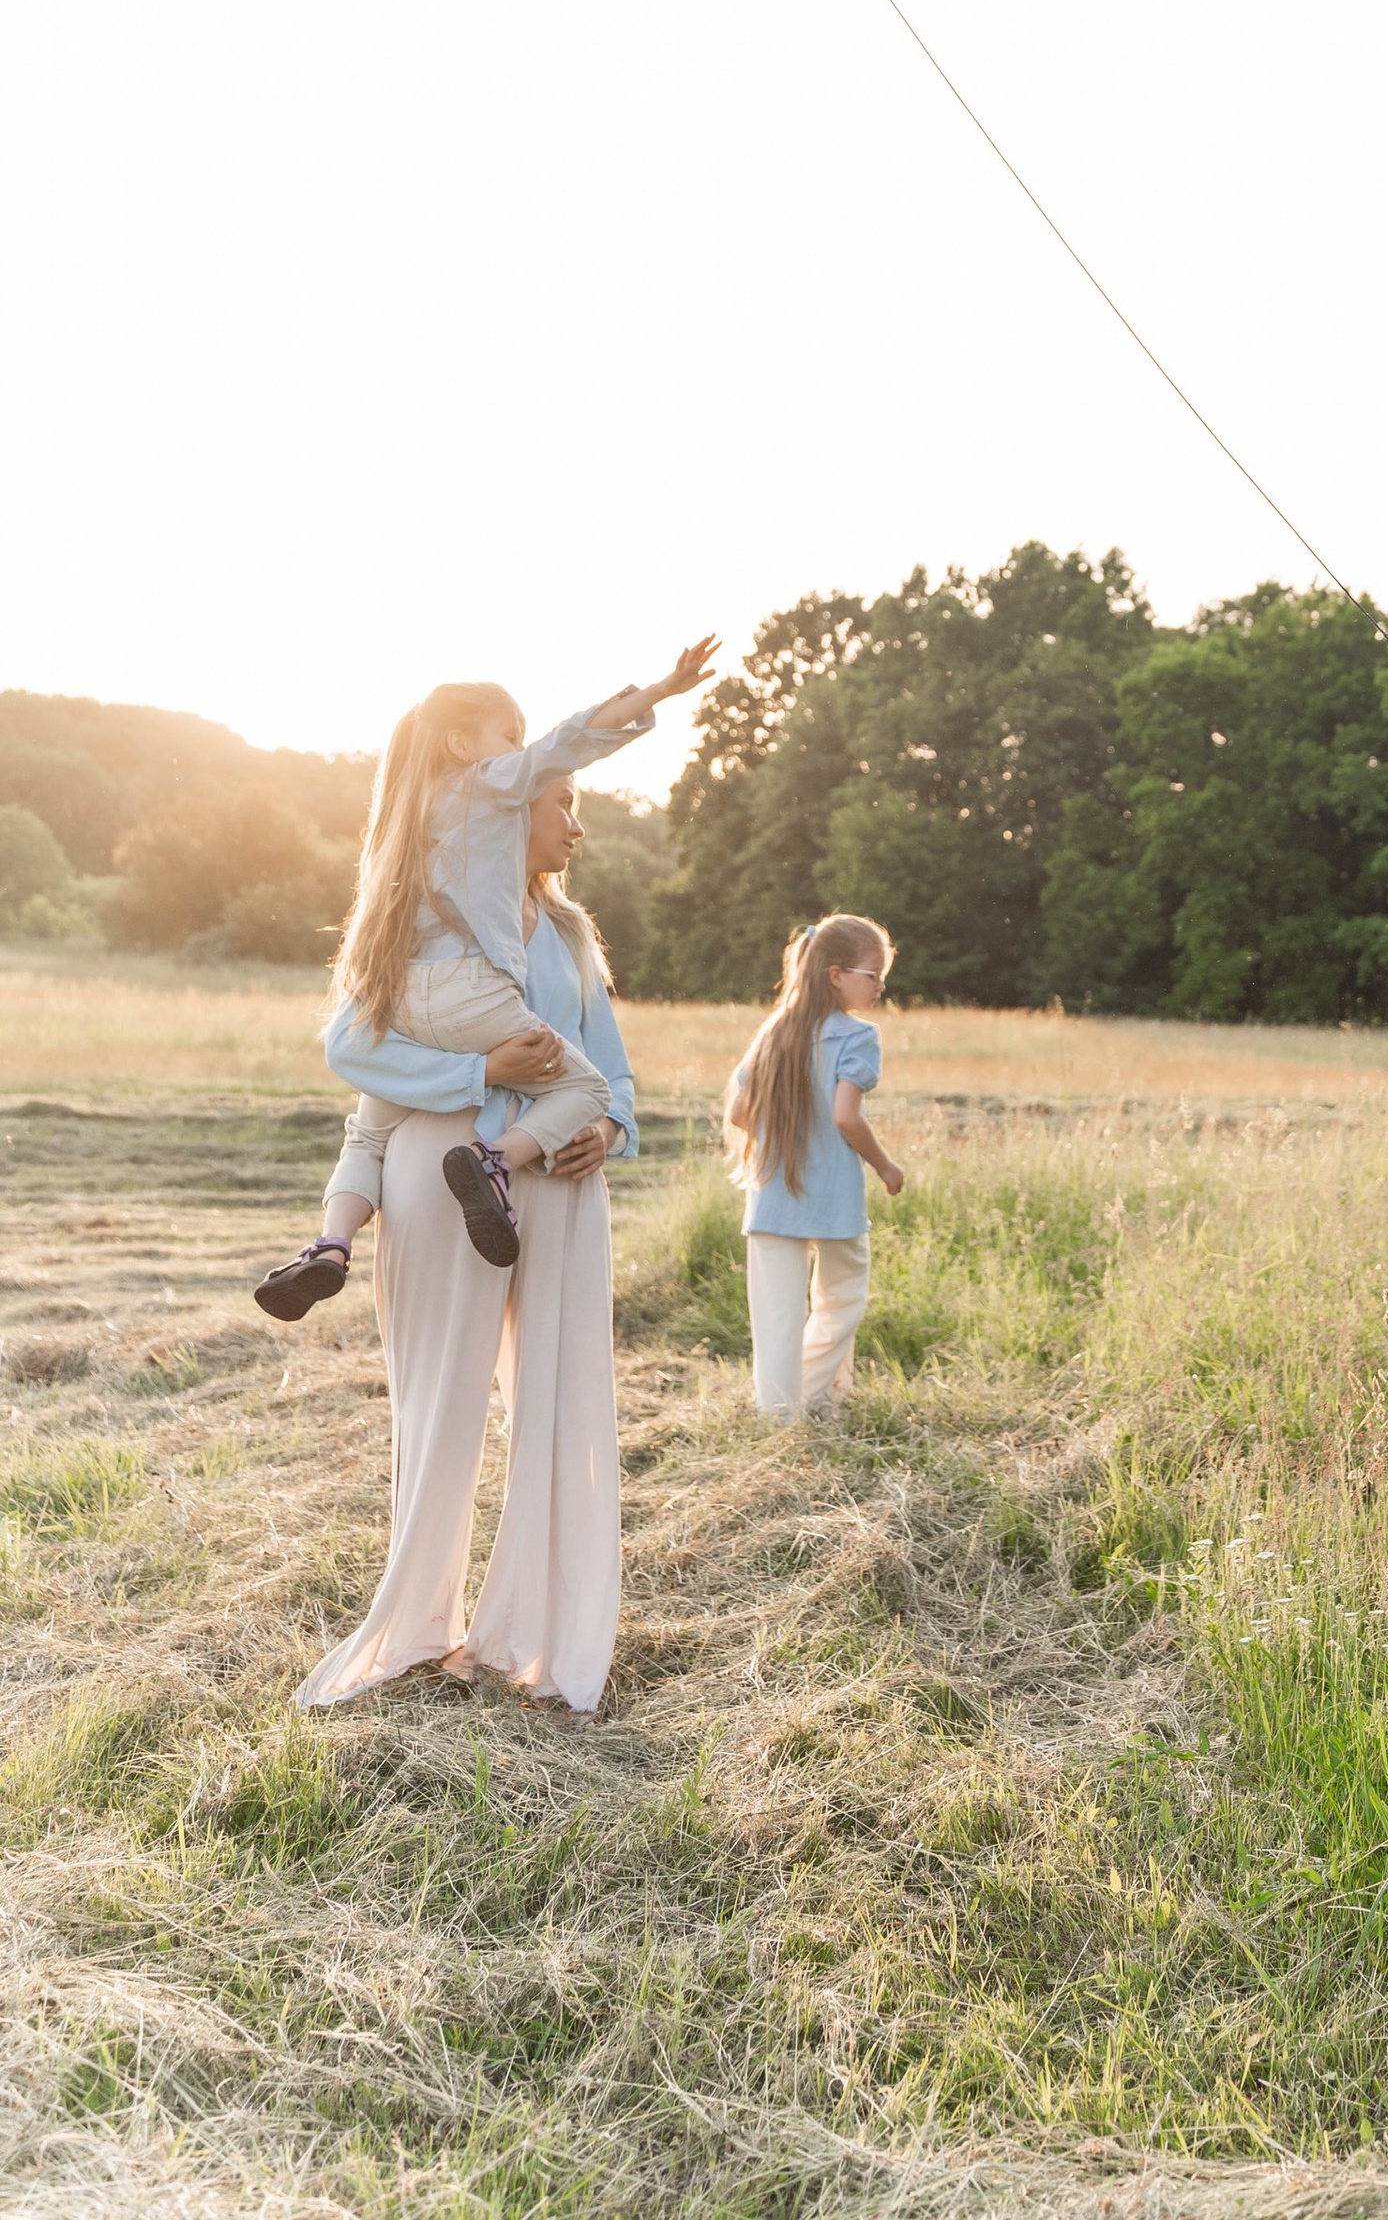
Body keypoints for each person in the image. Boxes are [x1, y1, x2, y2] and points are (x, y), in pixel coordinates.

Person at [296, 764, 635, 1716]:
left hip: (561, 1184)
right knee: (440, 1403)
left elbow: (612, 1070)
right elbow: (364, 1050)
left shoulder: (569, 932)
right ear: (502, 808)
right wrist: (478, 1068)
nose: (576, 822)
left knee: (563, 1402)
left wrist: (607, 1131)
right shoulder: (424, 922)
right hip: (439, 1173)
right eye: (562, 801)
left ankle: (537, 1637)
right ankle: (413, 1631)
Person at [253, 641, 714, 1320]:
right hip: (473, 994)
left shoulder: (414, 819)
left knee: (368, 1128)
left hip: (416, 996)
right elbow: (570, 742)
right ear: (461, 741)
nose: (520, 754)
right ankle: (493, 1162)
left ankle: (330, 1243)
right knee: (581, 1087)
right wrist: (657, 692)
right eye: (509, 737)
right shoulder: (486, 784)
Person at [725, 916, 905, 1420]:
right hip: (833, 1200)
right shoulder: (859, 1036)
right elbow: (846, 1117)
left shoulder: (774, 1033)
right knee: (842, 1298)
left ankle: (782, 1414)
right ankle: (812, 1394)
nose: (881, 986)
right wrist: (886, 1166)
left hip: (772, 1195)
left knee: (777, 1316)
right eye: (873, 974)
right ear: (836, 975)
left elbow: (739, 1114)